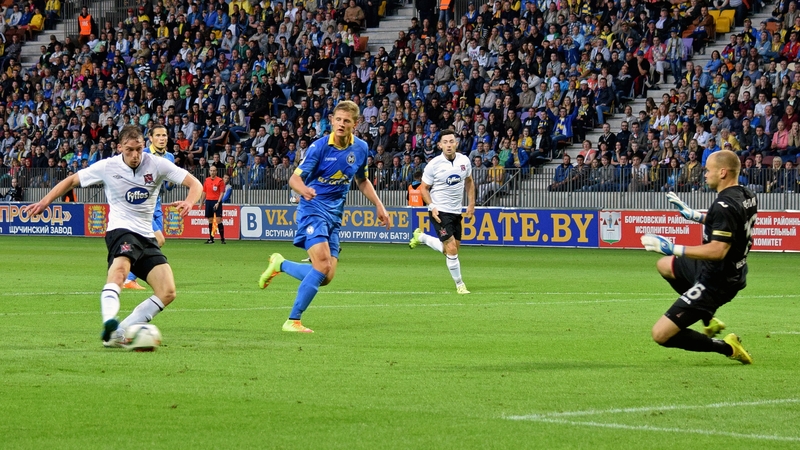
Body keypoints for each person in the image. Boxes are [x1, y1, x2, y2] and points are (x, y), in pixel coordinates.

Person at [21, 125, 202, 347]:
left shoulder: (157, 164)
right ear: (119, 148)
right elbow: (71, 181)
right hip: (121, 230)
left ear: (144, 146)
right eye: (129, 150)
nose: (135, 155)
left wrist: (189, 202)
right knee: (119, 272)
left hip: (146, 234)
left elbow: (195, 184)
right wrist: (44, 202)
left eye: (138, 149)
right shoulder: (108, 166)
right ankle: (109, 321)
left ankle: (118, 333)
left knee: (168, 291)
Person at [257, 101, 390, 333]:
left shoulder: (360, 148)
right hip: (312, 209)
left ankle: (281, 264)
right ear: (332, 121)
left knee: (326, 276)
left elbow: (362, 180)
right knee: (323, 264)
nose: (341, 124)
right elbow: (294, 179)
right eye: (338, 119)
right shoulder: (319, 147)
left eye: (346, 121)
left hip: (334, 215)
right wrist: (304, 190)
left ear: (355, 124)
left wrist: (379, 205)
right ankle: (292, 321)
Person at [641, 150, 757, 365]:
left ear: (722, 172)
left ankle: (728, 347)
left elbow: (718, 250)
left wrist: (673, 248)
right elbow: (731, 225)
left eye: (708, 170)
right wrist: (696, 216)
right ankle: (708, 319)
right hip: (723, 268)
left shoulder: (723, 205)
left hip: (717, 280)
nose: (705, 174)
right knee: (665, 265)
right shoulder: (746, 194)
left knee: (660, 334)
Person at [408, 129, 475, 294]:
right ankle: (460, 284)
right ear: (440, 145)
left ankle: (421, 237)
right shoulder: (434, 165)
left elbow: (469, 181)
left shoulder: (464, 161)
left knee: (450, 250)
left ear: (456, 143)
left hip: (456, 211)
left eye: (451, 141)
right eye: (445, 142)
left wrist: (471, 204)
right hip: (439, 211)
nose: (449, 145)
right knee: (451, 249)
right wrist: (432, 206)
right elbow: (423, 188)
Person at [124, 124, 175, 290]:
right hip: (141, 205)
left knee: (154, 243)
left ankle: (128, 273)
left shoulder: (169, 157)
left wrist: (172, 182)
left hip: (157, 205)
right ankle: (129, 277)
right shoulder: (142, 154)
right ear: (150, 138)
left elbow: (167, 185)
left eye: (164, 135)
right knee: (158, 239)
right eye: (158, 135)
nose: (162, 138)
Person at [199, 166, 227, 244]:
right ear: (209, 171)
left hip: (216, 201)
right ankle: (211, 239)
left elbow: (222, 192)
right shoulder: (206, 180)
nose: (212, 172)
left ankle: (222, 239)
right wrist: (201, 202)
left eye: (214, 171)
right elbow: (204, 192)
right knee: (210, 220)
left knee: (218, 220)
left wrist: (218, 202)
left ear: (216, 171)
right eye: (211, 170)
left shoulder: (220, 181)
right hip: (208, 201)